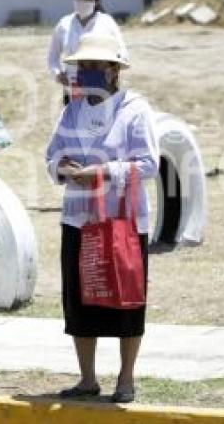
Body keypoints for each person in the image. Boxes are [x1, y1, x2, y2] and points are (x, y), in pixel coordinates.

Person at [45, 33, 158, 404]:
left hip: (122, 222)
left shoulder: (135, 109)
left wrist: (103, 172)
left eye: (94, 66)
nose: (85, 73)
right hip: (79, 219)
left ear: (113, 71)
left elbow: (149, 164)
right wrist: (61, 167)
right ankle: (87, 378)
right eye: (82, 66)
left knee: (127, 300)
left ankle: (126, 379)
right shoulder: (73, 109)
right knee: (79, 299)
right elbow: (52, 154)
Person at [47, 0, 127, 105]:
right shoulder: (64, 24)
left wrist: (109, 73)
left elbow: (122, 53)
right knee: (75, 122)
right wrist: (57, 74)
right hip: (73, 87)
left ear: (97, 1)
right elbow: (52, 56)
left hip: (101, 88)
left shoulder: (106, 22)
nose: (81, 2)